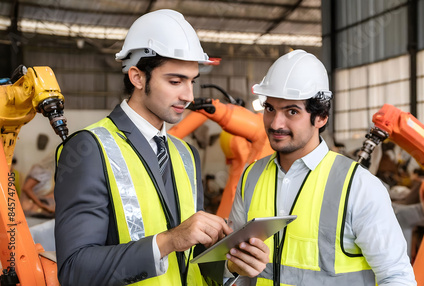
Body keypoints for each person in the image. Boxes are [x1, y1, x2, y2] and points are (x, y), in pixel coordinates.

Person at [54, 9, 268, 286]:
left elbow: (192, 259)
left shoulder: (186, 155)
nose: (188, 96)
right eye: (175, 81)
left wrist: (229, 264)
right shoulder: (89, 148)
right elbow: (75, 270)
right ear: (137, 77)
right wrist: (169, 240)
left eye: (192, 81)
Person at [228, 49, 417, 285]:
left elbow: (396, 276)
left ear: (321, 117)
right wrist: (231, 266)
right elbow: (230, 264)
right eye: (270, 109)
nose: (276, 123)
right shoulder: (252, 177)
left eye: (292, 111)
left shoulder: (358, 185)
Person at [21, 153, 56, 218]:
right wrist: (41, 205)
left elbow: (42, 192)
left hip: (36, 208)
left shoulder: (50, 172)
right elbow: (26, 188)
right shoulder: (42, 170)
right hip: (30, 210)